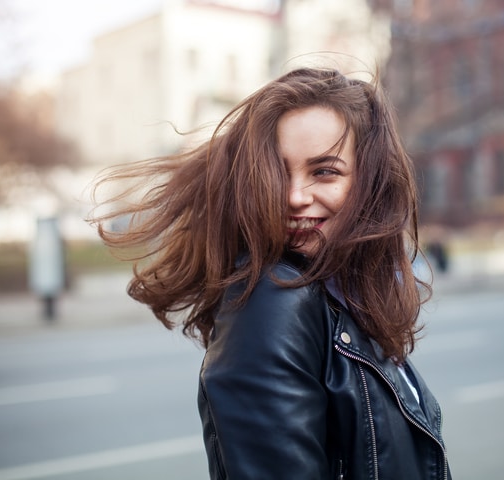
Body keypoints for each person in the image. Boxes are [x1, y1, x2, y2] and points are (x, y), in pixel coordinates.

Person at [92, 67, 451, 480]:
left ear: (370, 184)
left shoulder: (338, 295)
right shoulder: (273, 301)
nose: (293, 197)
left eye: (324, 171)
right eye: (278, 173)